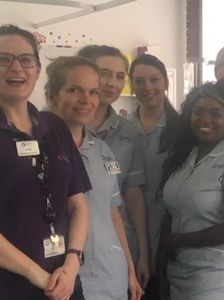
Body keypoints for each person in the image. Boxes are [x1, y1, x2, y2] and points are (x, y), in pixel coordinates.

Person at [0, 24, 89, 300]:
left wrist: (72, 262)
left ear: (37, 70)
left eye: (26, 60)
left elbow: (77, 205)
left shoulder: (54, 127)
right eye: (4, 59)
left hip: (64, 280)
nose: (17, 68)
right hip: (12, 286)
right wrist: (38, 276)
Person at [46, 56, 143, 300]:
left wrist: (129, 269)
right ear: (53, 94)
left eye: (93, 92)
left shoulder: (102, 150)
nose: (86, 100)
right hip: (62, 276)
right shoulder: (37, 148)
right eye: (74, 90)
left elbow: (113, 213)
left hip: (111, 274)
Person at [157, 81, 224, 299]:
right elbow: (171, 212)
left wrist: (176, 241)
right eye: (199, 112)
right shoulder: (183, 158)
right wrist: (162, 264)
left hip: (219, 272)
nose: (205, 119)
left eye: (216, 113)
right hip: (181, 269)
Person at [77, 45, 151, 289]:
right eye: (104, 73)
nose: (112, 83)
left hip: (115, 247)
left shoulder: (128, 132)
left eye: (120, 76)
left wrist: (142, 253)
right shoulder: (53, 126)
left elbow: (133, 195)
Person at [128, 53, 179, 297]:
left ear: (166, 82)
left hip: (167, 234)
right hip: (128, 234)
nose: (147, 87)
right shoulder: (122, 129)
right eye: (139, 81)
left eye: (154, 79)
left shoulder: (182, 131)